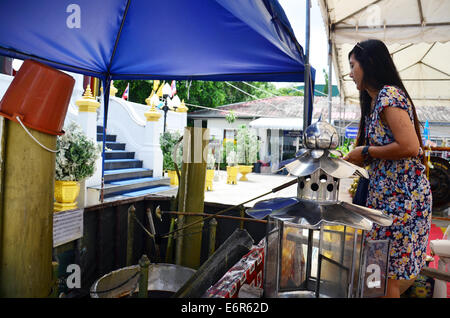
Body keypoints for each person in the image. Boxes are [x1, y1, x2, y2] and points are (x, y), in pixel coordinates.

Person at [343, 39, 432, 298]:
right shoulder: (374, 102)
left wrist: (367, 152)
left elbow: (410, 146)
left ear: (368, 64)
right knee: (381, 274)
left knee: (387, 276)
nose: (349, 74)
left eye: (352, 66)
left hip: (403, 202)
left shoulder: (388, 96)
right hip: (388, 201)